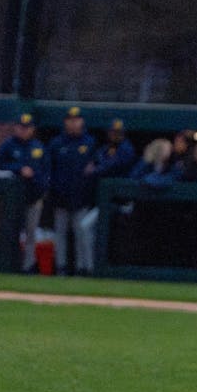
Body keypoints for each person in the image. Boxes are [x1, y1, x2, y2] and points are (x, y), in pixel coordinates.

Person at [72, 118, 137, 275]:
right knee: (87, 228)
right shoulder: (104, 149)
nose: (116, 136)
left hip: (121, 202)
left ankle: (92, 268)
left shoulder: (126, 149)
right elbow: (95, 163)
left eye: (119, 133)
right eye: (113, 133)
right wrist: (97, 168)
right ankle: (90, 268)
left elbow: (111, 166)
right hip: (104, 202)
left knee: (87, 227)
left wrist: (96, 169)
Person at [0, 113, 49, 273]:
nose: (23, 130)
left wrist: (42, 189)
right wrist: (18, 169)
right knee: (11, 232)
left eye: (27, 128)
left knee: (31, 234)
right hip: (13, 200)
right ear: (15, 127)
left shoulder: (38, 147)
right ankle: (9, 264)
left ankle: (28, 266)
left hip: (33, 197)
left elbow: (45, 171)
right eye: (21, 127)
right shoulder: (8, 146)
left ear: (32, 129)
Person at [47, 106, 96, 275]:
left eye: (76, 119)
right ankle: (61, 267)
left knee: (81, 233)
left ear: (82, 121)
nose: (73, 123)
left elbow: (96, 167)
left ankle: (82, 268)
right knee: (60, 233)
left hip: (81, 196)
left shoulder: (89, 143)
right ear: (65, 122)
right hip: (60, 196)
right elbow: (49, 169)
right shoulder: (56, 143)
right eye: (70, 120)